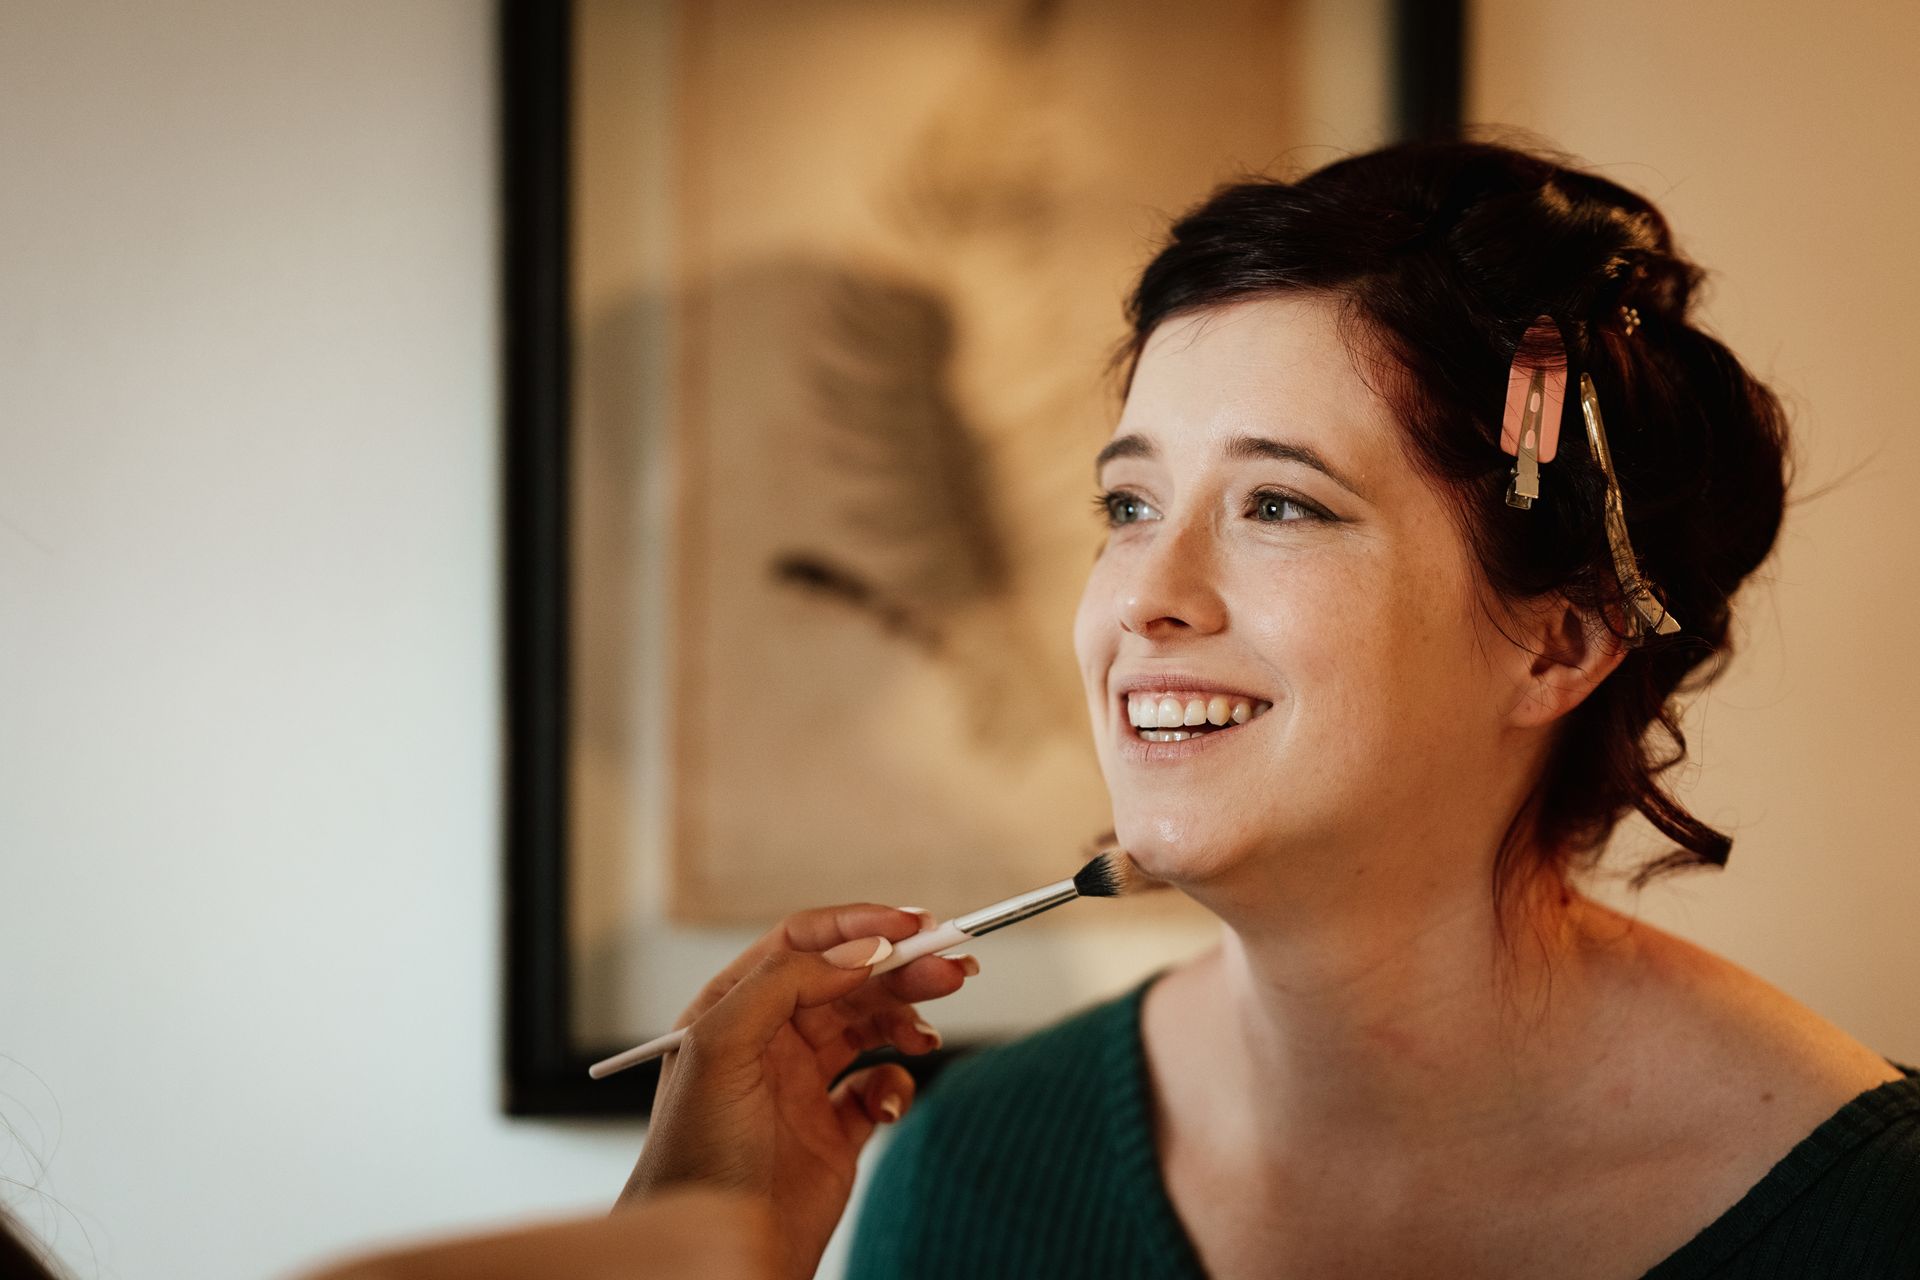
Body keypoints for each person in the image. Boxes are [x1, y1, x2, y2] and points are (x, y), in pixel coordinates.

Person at [840, 139, 1920, 1278]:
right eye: (1128, 501)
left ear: (1560, 642)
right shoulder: (970, 1161)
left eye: (1279, 503)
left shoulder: (1875, 1221)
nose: (1144, 598)